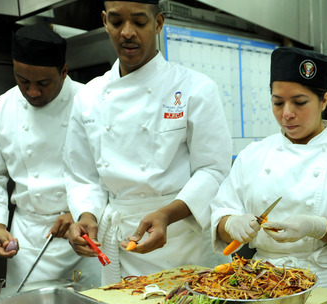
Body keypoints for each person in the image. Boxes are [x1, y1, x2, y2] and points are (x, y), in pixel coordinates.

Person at [64, 0, 233, 285]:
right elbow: (82, 176)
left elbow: (213, 170)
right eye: (117, 22)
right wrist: (86, 215)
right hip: (120, 242)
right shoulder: (89, 96)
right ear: (105, 21)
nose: (127, 32)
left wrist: (167, 214)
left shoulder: (195, 88)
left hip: (182, 241)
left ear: (158, 24)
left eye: (139, 22)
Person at [210, 47, 327, 293]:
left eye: (300, 102)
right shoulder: (254, 155)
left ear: (324, 100)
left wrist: (318, 227)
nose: (287, 114)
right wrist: (230, 224)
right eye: (277, 102)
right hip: (262, 283)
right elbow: (221, 216)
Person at [0, 23, 99, 289]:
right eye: (23, 81)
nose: (32, 92)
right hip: (29, 240)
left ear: (64, 71)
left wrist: (83, 211)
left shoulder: (92, 102)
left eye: (43, 83)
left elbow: (112, 171)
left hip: (86, 236)